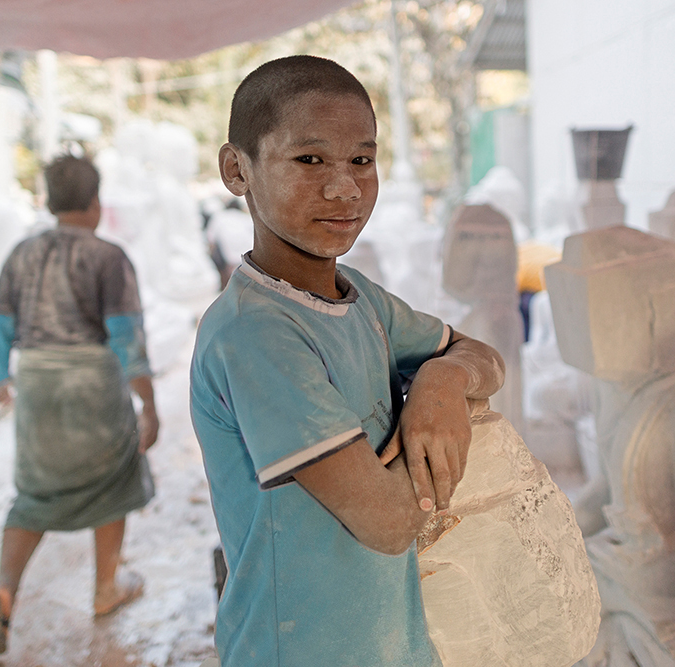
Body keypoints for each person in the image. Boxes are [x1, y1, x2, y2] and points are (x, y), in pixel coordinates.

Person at [189, 55, 506, 666]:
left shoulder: (357, 298)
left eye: (362, 160)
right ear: (237, 168)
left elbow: (484, 357)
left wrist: (443, 380)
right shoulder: (254, 333)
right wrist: (433, 419)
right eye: (310, 160)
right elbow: (388, 523)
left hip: (393, 642)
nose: (346, 189)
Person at [0, 154, 159, 655]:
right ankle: (105, 590)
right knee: (114, 480)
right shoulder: (109, 257)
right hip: (92, 384)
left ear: (50, 203)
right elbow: (126, 339)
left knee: (34, 492)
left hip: (35, 384)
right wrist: (149, 404)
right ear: (96, 203)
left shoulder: (22, 254)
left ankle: (3, 592)